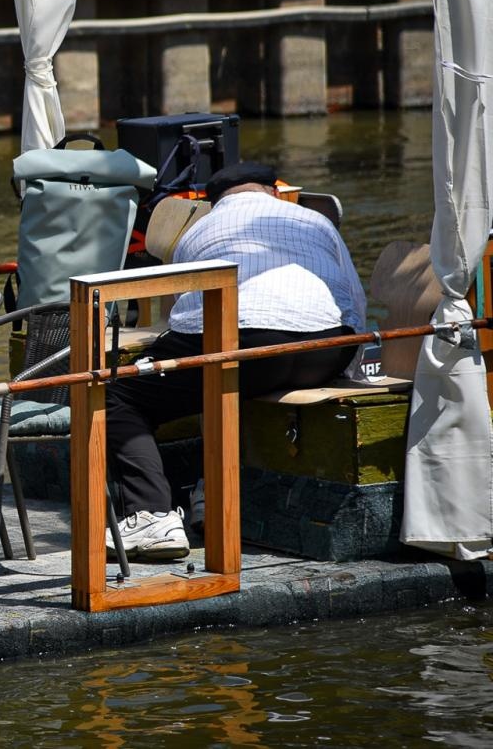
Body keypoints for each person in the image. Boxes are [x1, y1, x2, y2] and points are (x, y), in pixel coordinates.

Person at [105, 161, 368, 561]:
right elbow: (355, 299)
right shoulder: (317, 221)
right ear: (274, 191)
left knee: (119, 394)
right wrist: (347, 371)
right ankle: (206, 496)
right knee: (236, 375)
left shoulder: (197, 230)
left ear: (213, 203)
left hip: (242, 344)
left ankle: (151, 516)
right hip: (326, 349)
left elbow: (184, 313)